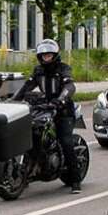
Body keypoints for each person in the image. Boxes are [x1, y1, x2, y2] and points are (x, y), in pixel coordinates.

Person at [27, 39, 84, 194]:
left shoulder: (63, 69)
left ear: (55, 55)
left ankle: (75, 179)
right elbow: (27, 86)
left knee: (65, 141)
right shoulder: (38, 71)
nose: (46, 57)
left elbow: (69, 86)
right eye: (44, 55)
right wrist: (12, 100)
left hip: (63, 110)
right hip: (45, 108)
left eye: (49, 54)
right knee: (33, 134)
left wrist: (60, 100)